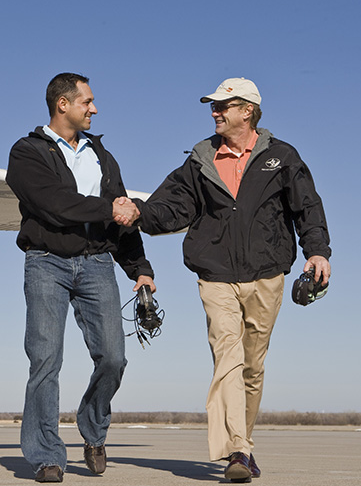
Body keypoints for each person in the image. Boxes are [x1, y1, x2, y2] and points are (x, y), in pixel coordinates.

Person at [115, 77, 331, 482]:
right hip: (215, 276)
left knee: (252, 366)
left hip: (267, 275)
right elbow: (172, 207)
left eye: (223, 105)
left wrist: (317, 251)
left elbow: (307, 208)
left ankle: (243, 445)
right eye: (213, 106)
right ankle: (238, 450)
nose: (215, 112)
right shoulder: (199, 160)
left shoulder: (282, 157)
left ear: (247, 110)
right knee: (227, 358)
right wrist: (140, 211)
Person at [6, 72, 156, 483]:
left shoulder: (101, 156)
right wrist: (110, 209)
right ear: (63, 105)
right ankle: (46, 456)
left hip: (97, 264)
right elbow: (55, 205)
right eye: (87, 101)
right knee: (45, 359)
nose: (94, 108)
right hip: (46, 263)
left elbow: (123, 216)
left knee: (113, 357)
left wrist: (140, 269)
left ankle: (93, 431)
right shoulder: (27, 152)